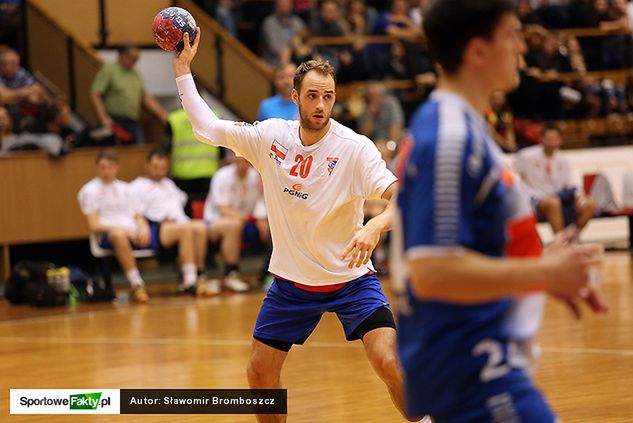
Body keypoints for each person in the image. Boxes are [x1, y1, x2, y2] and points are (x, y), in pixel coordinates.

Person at [174, 30, 419, 422]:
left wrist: (375, 226)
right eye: (312, 95)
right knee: (259, 375)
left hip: (351, 280)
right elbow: (207, 128)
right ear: (295, 97)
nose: (321, 104)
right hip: (291, 284)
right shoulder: (271, 137)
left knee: (389, 362)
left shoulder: (354, 148)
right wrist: (183, 70)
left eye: (328, 96)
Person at [393, 1, 607, 421]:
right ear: (477, 51)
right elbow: (432, 271)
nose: (521, 50)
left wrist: (543, 268)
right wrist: (543, 273)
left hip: (480, 363)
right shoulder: (450, 137)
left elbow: (466, 251)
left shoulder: (465, 126)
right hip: (473, 370)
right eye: (511, 35)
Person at [130, 148, 218, 296]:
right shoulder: (137, 186)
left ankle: (199, 274)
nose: (159, 172)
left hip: (180, 222)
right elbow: (134, 212)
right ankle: (189, 282)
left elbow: (182, 201)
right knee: (186, 229)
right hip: (159, 227)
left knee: (201, 227)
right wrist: (144, 225)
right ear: (147, 165)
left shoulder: (169, 183)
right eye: (155, 167)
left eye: (163, 168)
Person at [77, 149, 154, 303]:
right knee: (118, 235)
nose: (107, 171)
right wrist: (123, 230)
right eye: (103, 167)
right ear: (97, 167)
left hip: (134, 234)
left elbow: (138, 216)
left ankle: (192, 279)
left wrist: (144, 228)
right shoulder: (89, 191)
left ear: (117, 167)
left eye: (110, 167)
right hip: (108, 236)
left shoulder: (127, 189)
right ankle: (137, 284)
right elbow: (93, 225)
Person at [204, 155, 269, 292]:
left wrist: (262, 219)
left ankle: (268, 274)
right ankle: (231, 274)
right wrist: (254, 219)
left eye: (246, 162)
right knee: (233, 225)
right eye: (239, 162)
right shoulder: (221, 176)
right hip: (215, 221)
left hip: (247, 221)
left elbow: (262, 202)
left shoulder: (256, 176)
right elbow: (224, 210)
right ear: (233, 161)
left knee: (275, 227)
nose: (243, 165)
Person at [514, 125, 597, 234]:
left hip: (560, 198)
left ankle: (572, 237)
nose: (551, 142)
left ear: (560, 140)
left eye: (554, 139)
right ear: (541, 139)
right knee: (553, 203)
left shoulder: (563, 160)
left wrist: (579, 195)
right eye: (548, 139)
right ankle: (560, 241)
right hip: (535, 201)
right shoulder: (526, 156)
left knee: (590, 203)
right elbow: (511, 175)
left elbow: (570, 184)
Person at [90, 45, 168, 144]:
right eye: (133, 58)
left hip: (132, 121)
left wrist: (162, 114)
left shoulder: (135, 74)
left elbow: (145, 97)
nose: (135, 62)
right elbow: (95, 93)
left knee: (139, 147)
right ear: (122, 56)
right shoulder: (109, 70)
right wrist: (103, 117)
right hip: (114, 120)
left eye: (137, 59)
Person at [166, 107, 221, 217]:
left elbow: (166, 149)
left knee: (186, 216)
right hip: (208, 175)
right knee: (207, 216)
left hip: (182, 176)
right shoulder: (214, 116)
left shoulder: (174, 119)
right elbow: (222, 151)